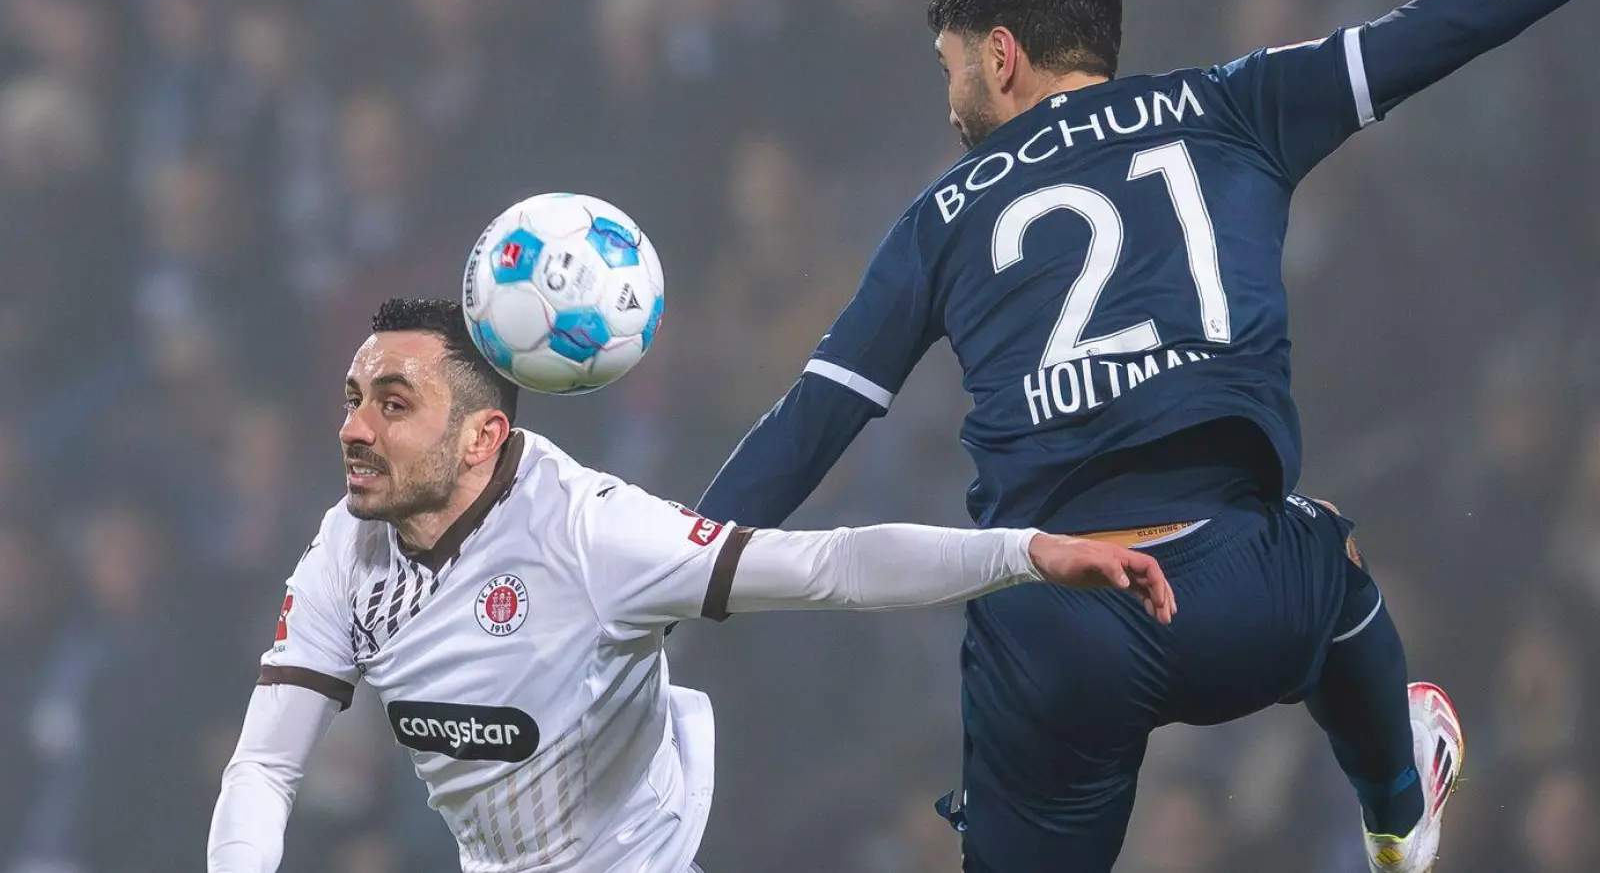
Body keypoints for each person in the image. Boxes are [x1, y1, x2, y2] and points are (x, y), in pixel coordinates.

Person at [695, 0, 1600, 870]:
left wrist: (661, 567)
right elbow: (1447, 24)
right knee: (1337, 569)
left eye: (951, 67)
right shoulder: (1232, 104)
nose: (950, 100)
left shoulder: (940, 214)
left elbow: (809, 426)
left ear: (1001, 55)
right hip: (1248, 596)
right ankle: (1398, 817)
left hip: (1056, 634)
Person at [204, 297, 1175, 873]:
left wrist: (1022, 551)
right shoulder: (348, 549)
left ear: (479, 438)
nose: (355, 428)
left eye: (392, 403)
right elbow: (266, 767)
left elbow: (830, 566)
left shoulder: (595, 533)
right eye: (351, 400)